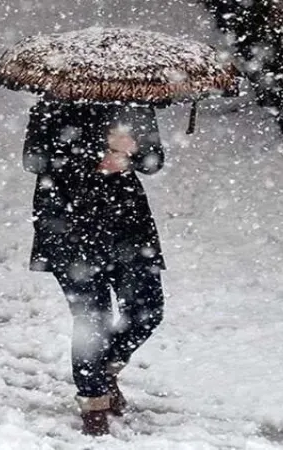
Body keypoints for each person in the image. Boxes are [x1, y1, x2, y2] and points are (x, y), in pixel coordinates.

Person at [23, 98, 166, 436]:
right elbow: (36, 160)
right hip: (69, 225)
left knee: (148, 308)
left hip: (128, 225)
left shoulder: (134, 102)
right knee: (93, 319)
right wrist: (98, 153)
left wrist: (132, 153)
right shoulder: (53, 104)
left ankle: (103, 371)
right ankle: (94, 404)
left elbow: (155, 160)